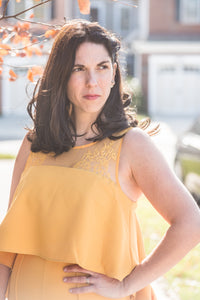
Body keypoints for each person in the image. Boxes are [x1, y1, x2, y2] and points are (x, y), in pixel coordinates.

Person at [0, 19, 200, 300]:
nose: (92, 81)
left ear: (114, 74)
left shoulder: (132, 145)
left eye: (102, 67)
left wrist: (126, 286)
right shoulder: (35, 142)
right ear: (60, 74)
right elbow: (9, 246)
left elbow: (190, 222)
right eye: (78, 69)